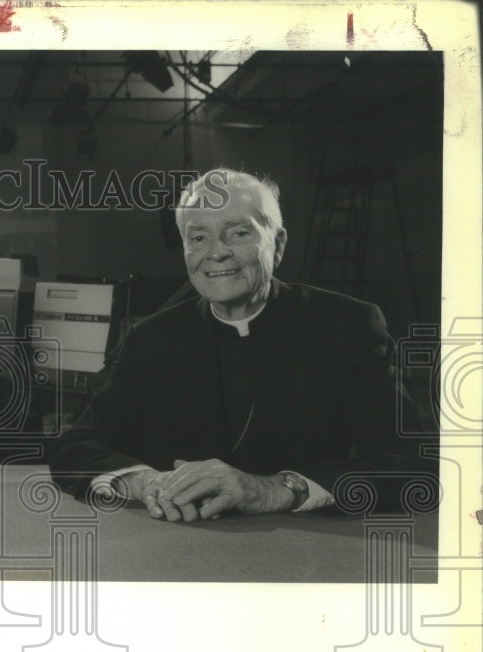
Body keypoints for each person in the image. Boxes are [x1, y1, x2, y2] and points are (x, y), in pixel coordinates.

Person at [49, 168, 429, 521]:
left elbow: (416, 462)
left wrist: (274, 490)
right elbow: (77, 446)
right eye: (198, 237)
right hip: (175, 548)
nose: (216, 252)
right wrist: (147, 482)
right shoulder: (150, 339)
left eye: (238, 233)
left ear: (277, 245)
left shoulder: (348, 327)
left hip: (307, 553)